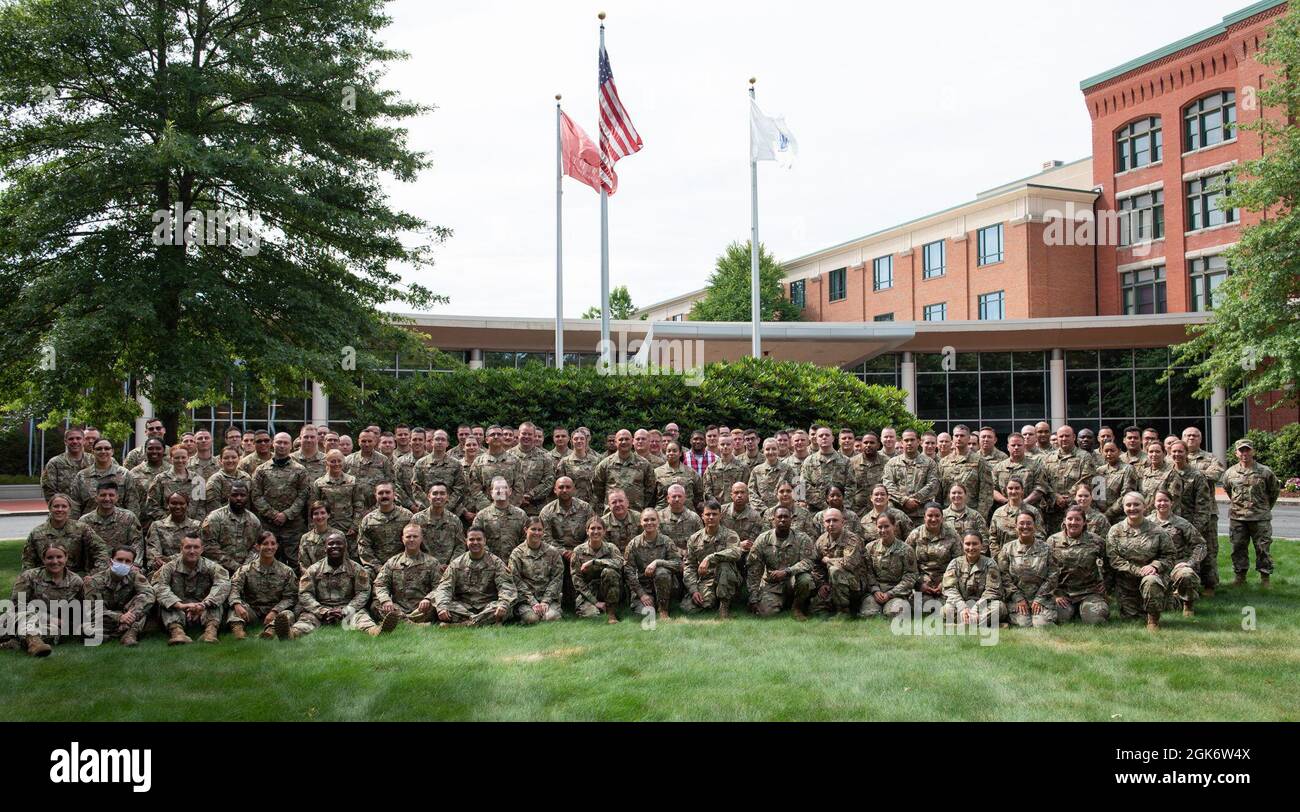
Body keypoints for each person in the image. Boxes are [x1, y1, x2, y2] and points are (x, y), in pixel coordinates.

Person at [287, 532, 394, 638]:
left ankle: (375, 631)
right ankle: (292, 633)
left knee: (362, 618)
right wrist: (322, 611)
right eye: (331, 544)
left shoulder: (356, 569)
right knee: (306, 621)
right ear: (325, 548)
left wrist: (346, 610)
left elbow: (363, 592)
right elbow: (305, 593)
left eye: (339, 543)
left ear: (345, 547)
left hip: (348, 607)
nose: (335, 546)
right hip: (321, 609)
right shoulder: (313, 570)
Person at [1107, 491, 1177, 630]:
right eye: (1128, 505)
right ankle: (1167, 602)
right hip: (1127, 582)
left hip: (1152, 578)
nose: (1132, 508)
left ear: (1144, 507)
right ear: (1123, 507)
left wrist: (1155, 566)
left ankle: (1153, 621)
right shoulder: (1115, 530)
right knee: (1132, 618)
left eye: (1136, 504)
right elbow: (1114, 559)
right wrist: (1139, 571)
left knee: (1150, 581)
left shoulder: (1157, 531)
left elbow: (1170, 555)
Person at [1222, 438, 1283, 588]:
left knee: (1263, 548)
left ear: (1253, 451)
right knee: (1238, 548)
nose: (1244, 453)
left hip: (1260, 518)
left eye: (1247, 449)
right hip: (1238, 518)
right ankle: (1240, 577)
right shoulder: (1230, 473)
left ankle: (1265, 579)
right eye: (1241, 450)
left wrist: (1264, 508)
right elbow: (1228, 490)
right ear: (1236, 453)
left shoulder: (1265, 471)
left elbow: (1274, 491)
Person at [8, 546, 87, 656]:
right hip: (19, 619)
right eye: (50, 557)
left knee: (56, 632)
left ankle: (16, 643)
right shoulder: (29, 576)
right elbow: (17, 607)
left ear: (66, 558)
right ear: (43, 559)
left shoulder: (76, 581)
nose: (55, 561)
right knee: (28, 617)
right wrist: (49, 618)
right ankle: (33, 642)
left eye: (59, 557)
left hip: (47, 626)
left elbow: (82, 608)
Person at [154, 532, 231, 645]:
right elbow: (159, 587)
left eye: (196, 547)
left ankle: (210, 632)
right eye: (188, 547)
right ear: (181, 548)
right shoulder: (169, 567)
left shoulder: (212, 566)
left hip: (204, 609)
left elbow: (223, 585)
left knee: (216, 602)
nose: (192, 551)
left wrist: (203, 604)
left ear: (202, 549)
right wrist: (180, 605)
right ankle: (177, 632)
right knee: (166, 602)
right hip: (179, 609)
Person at [432, 527, 516, 627]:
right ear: (466, 541)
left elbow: (506, 586)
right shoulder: (457, 563)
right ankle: (485, 623)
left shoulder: (496, 563)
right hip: (464, 607)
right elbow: (444, 587)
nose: (475, 542)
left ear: (485, 541)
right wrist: (442, 606)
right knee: (438, 604)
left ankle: (462, 624)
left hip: (488, 606)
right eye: (471, 539)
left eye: (479, 539)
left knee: (506, 608)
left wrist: (503, 604)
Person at [251, 432, 310, 569]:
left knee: (296, 563)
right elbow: (256, 496)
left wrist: (286, 515)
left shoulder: (300, 470)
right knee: (268, 561)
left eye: (285, 443)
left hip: (293, 527)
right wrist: (273, 514)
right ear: (273, 444)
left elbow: (303, 495)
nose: (282, 446)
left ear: (291, 446)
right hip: (269, 525)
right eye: (279, 442)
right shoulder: (261, 470)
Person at [747, 506, 815, 619]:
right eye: (779, 517)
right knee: (765, 614)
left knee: (806, 579)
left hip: (794, 581)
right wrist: (753, 598)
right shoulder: (763, 539)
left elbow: (808, 561)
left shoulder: (802, 538)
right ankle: (782, 602)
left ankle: (797, 607)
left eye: (786, 517)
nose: (782, 520)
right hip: (773, 584)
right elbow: (754, 570)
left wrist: (787, 571)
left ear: (791, 519)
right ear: (773, 520)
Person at [228, 531, 298, 640]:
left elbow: (290, 597)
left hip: (274, 610)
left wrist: (275, 611)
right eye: (265, 544)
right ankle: (239, 631)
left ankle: (270, 631)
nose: (269, 547)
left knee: (287, 614)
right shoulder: (245, 570)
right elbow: (234, 588)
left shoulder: (286, 571)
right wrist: (237, 604)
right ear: (257, 546)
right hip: (252, 612)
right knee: (235, 608)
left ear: (277, 546)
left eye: (273, 543)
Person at [1047, 505, 1109, 625]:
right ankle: (1074, 610)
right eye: (1070, 519)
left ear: (1084, 522)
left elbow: (1110, 565)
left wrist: (1105, 583)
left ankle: (1085, 610)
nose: (1073, 522)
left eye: (1078, 519)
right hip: (1063, 593)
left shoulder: (1096, 541)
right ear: (1064, 521)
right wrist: (1055, 594)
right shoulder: (1053, 541)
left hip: (1089, 592)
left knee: (1096, 621)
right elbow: (1045, 569)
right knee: (1059, 619)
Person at [372, 524, 443, 626]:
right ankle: (413, 624)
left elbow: (440, 587)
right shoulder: (392, 562)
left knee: (437, 604)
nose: (411, 539)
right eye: (408, 536)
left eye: (415, 536)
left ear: (421, 538)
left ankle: (400, 622)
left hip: (422, 609)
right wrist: (386, 600)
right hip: (398, 608)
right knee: (376, 604)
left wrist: (428, 598)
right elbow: (380, 584)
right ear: (402, 539)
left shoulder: (432, 563)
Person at [1149, 490, 1205, 618]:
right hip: (1155, 567)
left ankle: (1188, 604)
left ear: (1172, 503)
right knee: (1164, 606)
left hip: (1176, 566)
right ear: (1154, 503)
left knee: (1187, 574)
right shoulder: (1147, 523)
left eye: (1166, 500)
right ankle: (1171, 598)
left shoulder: (1182, 523)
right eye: (1159, 500)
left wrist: (1190, 563)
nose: (1162, 503)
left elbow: (1200, 545)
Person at [681, 501, 743, 618]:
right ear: (702, 516)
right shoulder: (694, 539)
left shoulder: (730, 534)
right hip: (706, 580)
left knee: (724, 565)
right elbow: (689, 566)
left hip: (728, 578)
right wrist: (694, 590)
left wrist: (710, 557)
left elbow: (736, 552)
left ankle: (724, 606)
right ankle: (714, 599)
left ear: (720, 516)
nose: (711, 517)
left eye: (714, 514)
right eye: (708, 514)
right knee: (689, 608)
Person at [998, 510, 1059, 628]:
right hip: (1017, 599)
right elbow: (1003, 576)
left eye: (1029, 523)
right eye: (1021, 523)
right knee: (1024, 624)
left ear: (1035, 526)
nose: (1025, 526)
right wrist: (1018, 598)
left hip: (1041, 598)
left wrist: (1040, 598)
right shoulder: (1007, 549)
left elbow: (1053, 575)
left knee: (1041, 625)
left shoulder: (1046, 548)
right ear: (1015, 526)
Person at [84, 545, 155, 646]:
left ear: (132, 564)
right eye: (119, 560)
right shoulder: (94, 581)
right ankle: (125, 631)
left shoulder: (134, 575)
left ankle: (130, 634)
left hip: (129, 615)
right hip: (107, 619)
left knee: (144, 602)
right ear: (110, 561)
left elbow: (149, 594)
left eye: (127, 561)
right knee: (86, 629)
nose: (123, 563)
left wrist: (131, 614)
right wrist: (119, 617)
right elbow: (93, 611)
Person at [23, 493, 107, 577]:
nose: (60, 509)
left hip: (77, 580)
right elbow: (28, 561)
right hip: (46, 581)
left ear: (70, 509)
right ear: (50, 508)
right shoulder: (37, 533)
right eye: (56, 506)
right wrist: (31, 580)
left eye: (64, 506)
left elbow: (101, 549)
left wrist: (94, 574)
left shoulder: (81, 529)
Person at [622, 508, 683, 619]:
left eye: (653, 519)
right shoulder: (633, 544)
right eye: (646, 520)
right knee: (647, 613)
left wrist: (658, 562)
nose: (649, 523)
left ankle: (664, 610)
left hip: (665, 587)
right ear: (641, 522)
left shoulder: (666, 541)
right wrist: (642, 594)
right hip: (643, 588)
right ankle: (652, 604)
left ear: (658, 521)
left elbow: (678, 564)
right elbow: (628, 571)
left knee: (661, 571)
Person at [860, 511, 919, 620]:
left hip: (896, 593)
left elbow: (910, 576)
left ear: (894, 526)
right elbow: (867, 572)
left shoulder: (906, 550)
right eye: (880, 527)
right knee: (869, 615)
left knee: (896, 615)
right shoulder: (870, 548)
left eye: (886, 526)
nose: (883, 530)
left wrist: (890, 593)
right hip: (875, 592)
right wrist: (875, 590)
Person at [509, 517, 565, 624]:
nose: (537, 533)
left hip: (549, 598)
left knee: (551, 617)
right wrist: (533, 602)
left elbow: (557, 579)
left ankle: (551, 611)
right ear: (526, 530)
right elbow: (516, 580)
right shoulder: (517, 553)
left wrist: (545, 601)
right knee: (531, 619)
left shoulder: (552, 552)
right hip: (525, 600)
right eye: (533, 529)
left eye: (540, 530)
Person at [941, 532, 1004, 627]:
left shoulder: (990, 563)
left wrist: (975, 609)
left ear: (981, 546)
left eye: (975, 544)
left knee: (999, 607)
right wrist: (962, 607)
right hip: (962, 605)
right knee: (946, 609)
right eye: (967, 544)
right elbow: (949, 588)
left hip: (983, 606)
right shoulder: (955, 563)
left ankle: (962, 625)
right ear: (963, 545)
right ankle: (980, 623)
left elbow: (992, 591)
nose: (971, 548)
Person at [810, 509, 865, 617]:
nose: (831, 524)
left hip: (855, 584)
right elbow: (816, 564)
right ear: (823, 523)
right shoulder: (821, 540)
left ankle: (843, 612)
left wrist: (828, 560)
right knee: (814, 609)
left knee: (834, 570)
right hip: (831, 583)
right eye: (828, 521)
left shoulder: (852, 539)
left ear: (843, 522)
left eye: (835, 520)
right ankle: (832, 605)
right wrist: (822, 584)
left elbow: (849, 563)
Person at [907, 503, 962, 610]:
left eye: (937, 516)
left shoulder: (952, 534)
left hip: (946, 580)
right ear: (924, 517)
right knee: (918, 606)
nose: (933, 519)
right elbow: (908, 564)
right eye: (930, 516)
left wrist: (944, 583)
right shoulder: (915, 535)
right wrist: (919, 584)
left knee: (949, 607)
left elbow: (959, 562)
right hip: (922, 581)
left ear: (942, 517)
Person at [200, 479, 262, 574]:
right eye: (235, 495)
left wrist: (244, 568)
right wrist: (235, 566)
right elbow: (209, 548)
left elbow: (256, 547)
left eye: (242, 495)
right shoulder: (215, 518)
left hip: (246, 571)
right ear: (228, 496)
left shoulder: (254, 521)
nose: (239, 498)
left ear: (248, 497)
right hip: (218, 570)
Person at [570, 516, 624, 623]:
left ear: (604, 531)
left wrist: (595, 562)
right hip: (588, 592)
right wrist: (595, 602)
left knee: (609, 572)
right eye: (592, 528)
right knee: (592, 616)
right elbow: (577, 581)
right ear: (587, 531)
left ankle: (611, 613)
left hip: (609, 590)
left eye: (599, 528)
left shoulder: (611, 548)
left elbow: (620, 563)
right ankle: (598, 607)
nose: (596, 531)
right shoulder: (578, 551)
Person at [1040, 425, 1093, 532]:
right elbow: (1042, 481)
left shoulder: (1084, 456)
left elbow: (1087, 479)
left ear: (1073, 437)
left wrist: (1068, 497)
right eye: (1061, 436)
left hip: (1075, 510)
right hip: (1052, 511)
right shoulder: (1047, 458)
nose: (1064, 439)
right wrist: (1055, 496)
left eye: (1067, 436)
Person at [357, 481, 416, 576]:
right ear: (375, 496)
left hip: (403, 563)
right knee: (364, 575)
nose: (384, 495)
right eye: (380, 493)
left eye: (387, 492)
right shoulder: (368, 520)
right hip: (376, 566)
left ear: (394, 494)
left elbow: (414, 542)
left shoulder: (407, 516)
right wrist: (378, 567)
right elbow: (364, 548)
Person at [882, 429, 940, 524]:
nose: (909, 443)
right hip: (897, 512)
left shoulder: (929, 463)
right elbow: (888, 485)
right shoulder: (892, 463)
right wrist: (904, 500)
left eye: (912, 440)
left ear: (918, 442)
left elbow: (933, 485)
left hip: (921, 513)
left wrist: (915, 500)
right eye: (906, 440)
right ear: (902, 442)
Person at [79, 481, 143, 566]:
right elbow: (80, 550)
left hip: (123, 566)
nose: (107, 499)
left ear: (117, 497)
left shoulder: (128, 517)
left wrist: (135, 565)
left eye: (111, 495)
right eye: (103, 495)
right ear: (96, 497)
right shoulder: (84, 521)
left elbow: (137, 544)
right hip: (94, 569)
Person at [310, 449, 367, 543]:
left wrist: (355, 525)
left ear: (343, 461)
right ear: (326, 463)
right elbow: (313, 508)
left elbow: (359, 505)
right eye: (332, 461)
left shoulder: (352, 481)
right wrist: (315, 528)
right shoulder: (319, 483)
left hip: (348, 528)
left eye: (339, 461)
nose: (336, 464)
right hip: (326, 528)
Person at [69, 438, 136, 518]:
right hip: (88, 526)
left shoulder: (124, 474)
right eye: (99, 449)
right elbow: (75, 506)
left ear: (112, 452)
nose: (103, 451)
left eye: (107, 448)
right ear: (93, 452)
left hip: (118, 526)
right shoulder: (82, 476)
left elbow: (132, 504)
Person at [594, 429, 656, 513]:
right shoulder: (605, 464)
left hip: (637, 512)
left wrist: (642, 504)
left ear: (632, 441)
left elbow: (650, 489)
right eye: (620, 439)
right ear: (616, 442)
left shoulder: (644, 464)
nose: (624, 442)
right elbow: (597, 488)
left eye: (627, 439)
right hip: (612, 513)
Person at [412, 430, 469, 520]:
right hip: (426, 513)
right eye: (437, 439)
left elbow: (460, 487)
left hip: (451, 513)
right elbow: (416, 487)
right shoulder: (421, 463)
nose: (439, 442)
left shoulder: (456, 464)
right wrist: (430, 505)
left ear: (447, 443)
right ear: (431, 442)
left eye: (443, 440)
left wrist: (446, 506)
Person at [939, 425, 994, 517]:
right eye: (956, 436)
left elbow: (986, 492)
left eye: (962, 436)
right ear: (952, 438)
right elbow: (938, 492)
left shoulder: (979, 461)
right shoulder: (943, 462)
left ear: (969, 438)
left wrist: (980, 516)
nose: (959, 438)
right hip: (947, 513)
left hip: (971, 513)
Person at [409, 483, 468, 566]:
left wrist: (451, 565)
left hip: (448, 569)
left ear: (447, 497)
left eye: (442, 493)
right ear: (429, 496)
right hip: (423, 567)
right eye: (435, 493)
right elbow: (412, 544)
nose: (438, 497)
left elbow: (460, 546)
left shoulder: (455, 520)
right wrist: (429, 564)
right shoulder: (417, 520)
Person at [992, 432, 1050, 515]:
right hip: (1005, 513)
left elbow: (1040, 488)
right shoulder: (998, 467)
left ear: (1024, 446)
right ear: (1008, 447)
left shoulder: (1035, 465)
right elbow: (993, 489)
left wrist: (1022, 503)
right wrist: (1006, 502)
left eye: (1019, 445)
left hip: (1030, 512)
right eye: (1013, 445)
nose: (1016, 448)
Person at [466, 426, 523, 511]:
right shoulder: (478, 462)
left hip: (511, 513)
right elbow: (475, 489)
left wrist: (507, 507)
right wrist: (489, 509)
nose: (496, 436)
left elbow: (519, 488)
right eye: (493, 434)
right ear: (486, 440)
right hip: (485, 512)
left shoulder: (515, 460)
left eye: (499, 434)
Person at [146, 492, 202, 577]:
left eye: (182, 503)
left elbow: (198, 551)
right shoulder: (157, 526)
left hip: (191, 568)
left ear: (187, 505)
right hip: (164, 569)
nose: (178, 507)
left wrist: (170, 560)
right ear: (168, 505)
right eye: (174, 503)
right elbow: (153, 550)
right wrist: (158, 561)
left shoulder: (197, 526)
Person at [471, 477, 528, 561]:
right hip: (489, 564)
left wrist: (515, 560)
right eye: (497, 488)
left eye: (504, 488)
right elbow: (477, 542)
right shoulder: (482, 516)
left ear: (510, 491)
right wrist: (494, 561)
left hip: (516, 563)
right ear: (491, 493)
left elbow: (526, 541)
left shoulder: (521, 515)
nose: (500, 491)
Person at [145, 445, 206, 523]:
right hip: (166, 528)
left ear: (188, 458)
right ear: (171, 459)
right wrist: (167, 522)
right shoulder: (161, 479)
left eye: (183, 457)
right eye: (177, 458)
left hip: (192, 528)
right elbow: (152, 505)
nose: (180, 460)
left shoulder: (197, 480)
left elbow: (201, 507)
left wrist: (194, 524)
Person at [800, 426, 853, 513]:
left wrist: (841, 506)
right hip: (816, 511)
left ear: (832, 439)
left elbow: (851, 485)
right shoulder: (809, 461)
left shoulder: (845, 460)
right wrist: (825, 505)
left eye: (827, 435)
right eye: (821, 436)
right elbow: (804, 486)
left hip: (841, 511)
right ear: (816, 440)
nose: (824, 437)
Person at [987, 478, 1042, 557]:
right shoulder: (998, 513)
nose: (1013, 491)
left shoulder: (1033, 511)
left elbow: (1039, 536)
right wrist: (998, 557)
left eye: (1017, 488)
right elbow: (993, 538)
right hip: (1004, 558)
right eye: (1010, 488)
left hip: (1029, 557)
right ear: (1006, 490)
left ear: (1022, 490)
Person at [511, 423, 556, 517]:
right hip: (512, 509)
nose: (526, 436)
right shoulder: (508, 456)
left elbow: (548, 482)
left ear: (534, 436)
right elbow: (504, 481)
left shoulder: (545, 457)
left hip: (536, 510)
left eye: (530, 434)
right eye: (524, 433)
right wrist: (517, 498)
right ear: (518, 435)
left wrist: (529, 496)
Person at [538, 476, 592, 553]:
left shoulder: (585, 508)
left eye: (568, 487)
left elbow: (593, 533)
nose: (564, 490)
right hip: (555, 553)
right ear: (555, 490)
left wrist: (580, 551)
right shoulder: (547, 511)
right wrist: (563, 552)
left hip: (583, 552)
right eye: (561, 487)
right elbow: (545, 537)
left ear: (574, 490)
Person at [345, 428, 395, 510]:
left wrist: (375, 508)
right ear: (358, 442)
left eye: (370, 441)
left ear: (375, 442)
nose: (367, 444)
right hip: (352, 509)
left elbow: (391, 484)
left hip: (377, 509)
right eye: (364, 441)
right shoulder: (348, 460)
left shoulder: (384, 460)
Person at [41, 426, 90, 504]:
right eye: (71, 439)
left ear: (84, 441)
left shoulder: (93, 461)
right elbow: (49, 490)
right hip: (65, 511)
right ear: (65, 442)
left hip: (89, 511)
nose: (75, 441)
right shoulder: (54, 463)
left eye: (78, 438)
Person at [1095, 442, 1139, 524]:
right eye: (1106, 451)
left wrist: (1108, 514)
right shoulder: (1099, 471)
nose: (1109, 454)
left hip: (1119, 517)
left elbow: (1126, 495)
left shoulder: (1128, 469)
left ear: (1119, 451)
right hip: (1100, 517)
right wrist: (1099, 514)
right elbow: (1096, 495)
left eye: (1112, 451)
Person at [204, 445, 251, 515]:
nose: (230, 460)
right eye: (226, 458)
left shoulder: (246, 477)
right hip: (223, 520)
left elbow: (249, 503)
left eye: (234, 457)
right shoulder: (215, 479)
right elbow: (214, 507)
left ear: (239, 459)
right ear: (220, 460)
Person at [747, 438, 791, 513]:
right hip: (762, 513)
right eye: (767, 449)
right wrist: (764, 510)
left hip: (784, 512)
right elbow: (751, 493)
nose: (771, 452)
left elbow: (798, 488)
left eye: (774, 449)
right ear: (763, 451)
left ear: (778, 450)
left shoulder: (787, 468)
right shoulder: (756, 470)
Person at [557, 428, 599, 506]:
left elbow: (599, 485)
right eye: (576, 439)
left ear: (586, 441)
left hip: (593, 505)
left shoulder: (596, 461)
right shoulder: (564, 462)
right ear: (571, 441)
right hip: (571, 505)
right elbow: (560, 487)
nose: (579, 441)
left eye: (582, 439)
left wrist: (593, 503)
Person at [657, 483, 702, 551]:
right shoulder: (659, 517)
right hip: (667, 556)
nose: (677, 499)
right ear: (668, 498)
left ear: (684, 498)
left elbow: (701, 540)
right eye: (674, 496)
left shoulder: (694, 518)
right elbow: (657, 541)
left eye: (680, 496)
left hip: (689, 557)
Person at [600, 489, 641, 553]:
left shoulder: (639, 518)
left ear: (627, 502)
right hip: (612, 557)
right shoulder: (602, 523)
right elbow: (602, 548)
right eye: (614, 502)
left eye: (621, 501)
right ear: (609, 506)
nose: (618, 504)